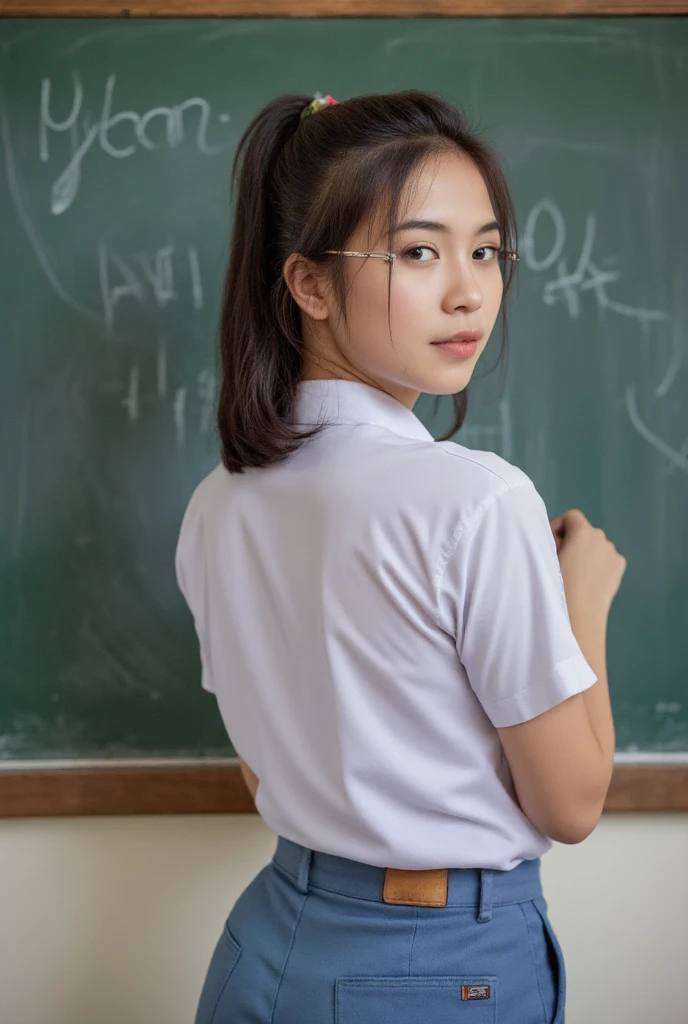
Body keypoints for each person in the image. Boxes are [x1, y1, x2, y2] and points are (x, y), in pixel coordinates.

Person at [175, 90, 626, 1024]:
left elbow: (267, 774)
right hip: (434, 969)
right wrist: (582, 600)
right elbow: (571, 805)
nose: (468, 289)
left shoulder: (217, 504)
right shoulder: (477, 499)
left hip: (264, 947)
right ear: (307, 285)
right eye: (419, 252)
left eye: (486, 250)